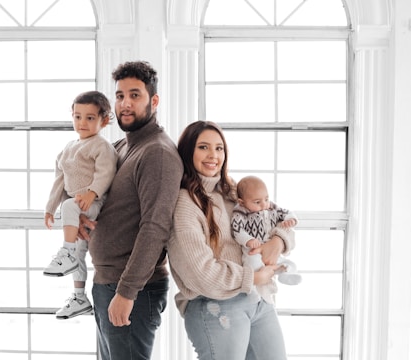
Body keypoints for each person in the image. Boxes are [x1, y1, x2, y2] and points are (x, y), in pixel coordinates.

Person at [78, 61, 183, 360]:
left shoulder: (157, 153)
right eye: (120, 95)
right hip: (107, 282)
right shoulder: (121, 147)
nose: (125, 103)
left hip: (132, 289)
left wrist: (126, 293)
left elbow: (155, 227)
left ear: (154, 100)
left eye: (135, 95)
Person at [167, 120, 295, 360]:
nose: (213, 155)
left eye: (219, 148)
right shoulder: (185, 203)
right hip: (215, 305)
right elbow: (201, 273)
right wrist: (253, 276)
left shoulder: (232, 190)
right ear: (188, 152)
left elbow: (278, 218)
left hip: (258, 300)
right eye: (203, 147)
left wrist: (277, 242)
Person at [43, 90, 118, 319]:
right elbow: (59, 181)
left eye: (90, 118)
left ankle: (66, 252)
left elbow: (106, 171)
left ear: (104, 120)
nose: (82, 122)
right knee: (80, 251)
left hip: (94, 203)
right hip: (76, 205)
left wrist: (92, 191)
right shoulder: (67, 148)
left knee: (69, 209)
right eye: (77, 116)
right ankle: (79, 297)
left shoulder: (101, 146)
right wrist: (49, 207)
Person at [232, 175, 302, 304]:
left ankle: (286, 274)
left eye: (266, 198)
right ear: (242, 202)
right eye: (257, 202)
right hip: (253, 249)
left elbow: (286, 213)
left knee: (290, 263)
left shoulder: (272, 207)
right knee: (254, 266)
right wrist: (248, 240)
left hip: (271, 247)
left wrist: (290, 219)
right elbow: (237, 230)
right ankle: (261, 291)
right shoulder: (241, 212)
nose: (264, 204)